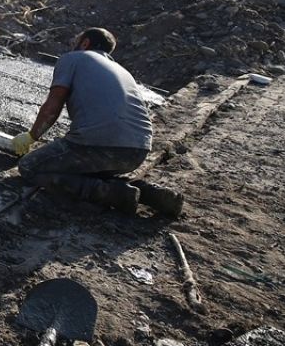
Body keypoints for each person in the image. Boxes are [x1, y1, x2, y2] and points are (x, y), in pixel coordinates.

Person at [13, 27, 183, 217]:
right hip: (137, 150)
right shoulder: (123, 71)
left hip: (97, 146)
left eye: (76, 41)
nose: (72, 45)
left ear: (85, 43)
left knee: (30, 166)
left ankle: (110, 194)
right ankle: (148, 193)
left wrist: (31, 136)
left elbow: (54, 104)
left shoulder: (73, 58)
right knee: (84, 170)